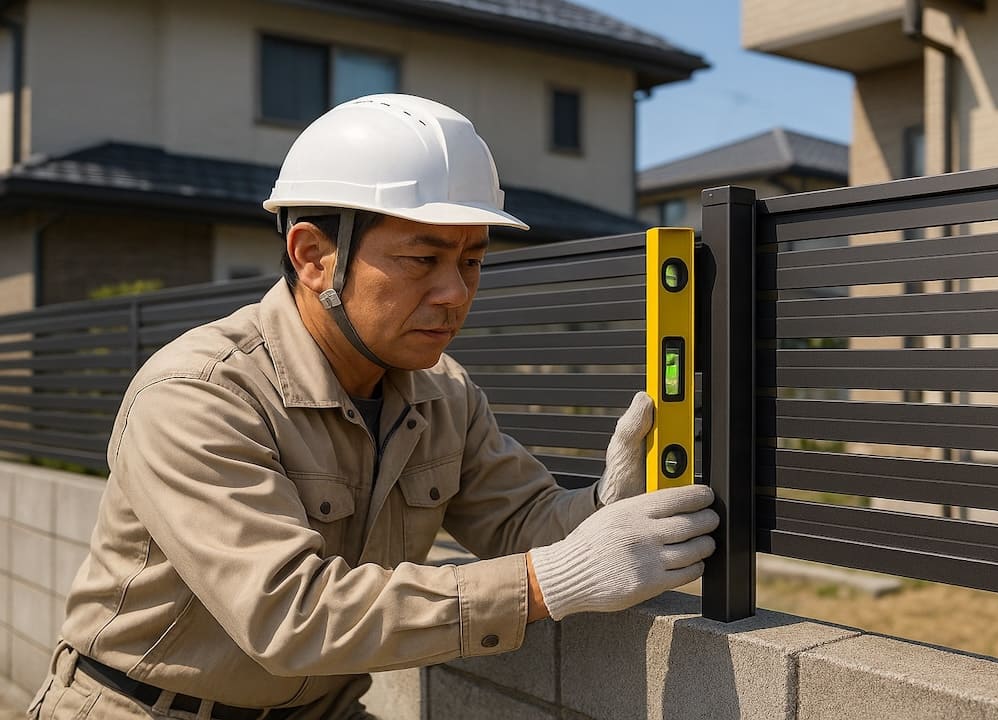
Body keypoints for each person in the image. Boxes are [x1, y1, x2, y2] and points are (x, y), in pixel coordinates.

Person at [28, 94, 718, 720]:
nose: (455, 292)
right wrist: (551, 581)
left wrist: (604, 507)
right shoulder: (198, 393)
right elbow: (291, 616)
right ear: (313, 257)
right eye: (423, 259)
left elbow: (521, 523)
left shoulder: (443, 394)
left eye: (472, 262)